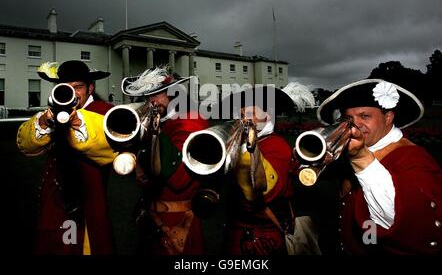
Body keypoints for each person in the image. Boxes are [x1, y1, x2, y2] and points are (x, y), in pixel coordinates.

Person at [315, 78, 442, 254]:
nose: (355, 125)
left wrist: (362, 159)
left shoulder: (415, 158)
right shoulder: (352, 150)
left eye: (365, 116)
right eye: (348, 118)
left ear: (388, 117)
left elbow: (410, 221)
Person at [16, 60, 116, 255]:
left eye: (78, 87)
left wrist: (77, 121)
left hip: (88, 202)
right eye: (67, 88)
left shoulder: (105, 111)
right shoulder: (53, 111)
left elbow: (107, 142)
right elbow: (25, 144)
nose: (73, 93)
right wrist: (44, 121)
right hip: (55, 201)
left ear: (90, 88)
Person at [121, 66, 209, 255]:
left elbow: (179, 179)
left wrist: (155, 132)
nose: (151, 100)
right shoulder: (164, 120)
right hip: (154, 217)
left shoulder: (190, 120)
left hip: (176, 222)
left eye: (158, 94)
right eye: (147, 96)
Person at [221, 84, 314, 255]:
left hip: (264, 238)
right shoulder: (246, 143)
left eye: (251, 114)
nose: (244, 120)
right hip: (239, 232)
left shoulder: (275, 144)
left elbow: (265, 191)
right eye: (242, 115)